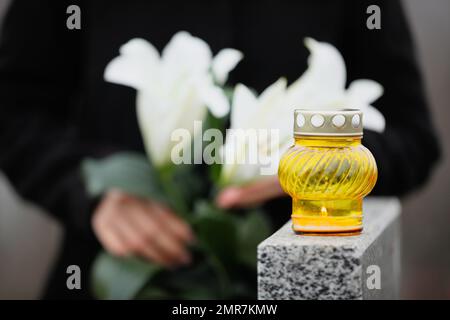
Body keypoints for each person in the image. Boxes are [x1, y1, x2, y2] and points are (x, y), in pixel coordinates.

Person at [0, 0, 440, 299]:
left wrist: (319, 169)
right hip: (116, 276)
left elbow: (412, 139)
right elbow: (14, 113)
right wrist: (93, 191)